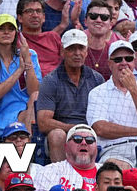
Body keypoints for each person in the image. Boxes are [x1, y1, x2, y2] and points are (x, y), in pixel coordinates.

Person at [86, 40, 137, 163]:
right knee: (117, 167)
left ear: (134, 62)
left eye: (128, 58)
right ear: (110, 64)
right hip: (114, 150)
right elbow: (100, 128)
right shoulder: (97, 92)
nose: (124, 63)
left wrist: (133, 89)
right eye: (118, 59)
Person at [37, 29, 104, 162]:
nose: (77, 53)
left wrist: (86, 132)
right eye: (71, 49)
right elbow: (43, 122)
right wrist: (75, 130)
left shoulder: (97, 79)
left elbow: (104, 116)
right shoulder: (51, 80)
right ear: (62, 51)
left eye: (81, 48)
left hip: (92, 131)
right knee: (56, 135)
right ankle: (61, 178)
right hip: (64, 132)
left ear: (86, 51)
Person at [0, 13, 42, 137]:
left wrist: (27, 60)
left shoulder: (30, 54)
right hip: (2, 112)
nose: (6, 32)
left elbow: (34, 90)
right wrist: (19, 70)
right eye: (2, 29)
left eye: (11, 29)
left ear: (16, 33)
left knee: (35, 97)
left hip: (28, 110)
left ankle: (28, 147)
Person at [36, 124, 103, 191]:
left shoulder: (109, 173)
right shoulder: (49, 172)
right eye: (77, 139)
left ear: (96, 148)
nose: (84, 143)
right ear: (66, 146)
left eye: (90, 140)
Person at [17, 0, 63, 77]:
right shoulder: (15, 40)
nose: (35, 15)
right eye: (29, 11)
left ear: (44, 17)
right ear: (20, 18)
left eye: (38, 11)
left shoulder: (53, 37)